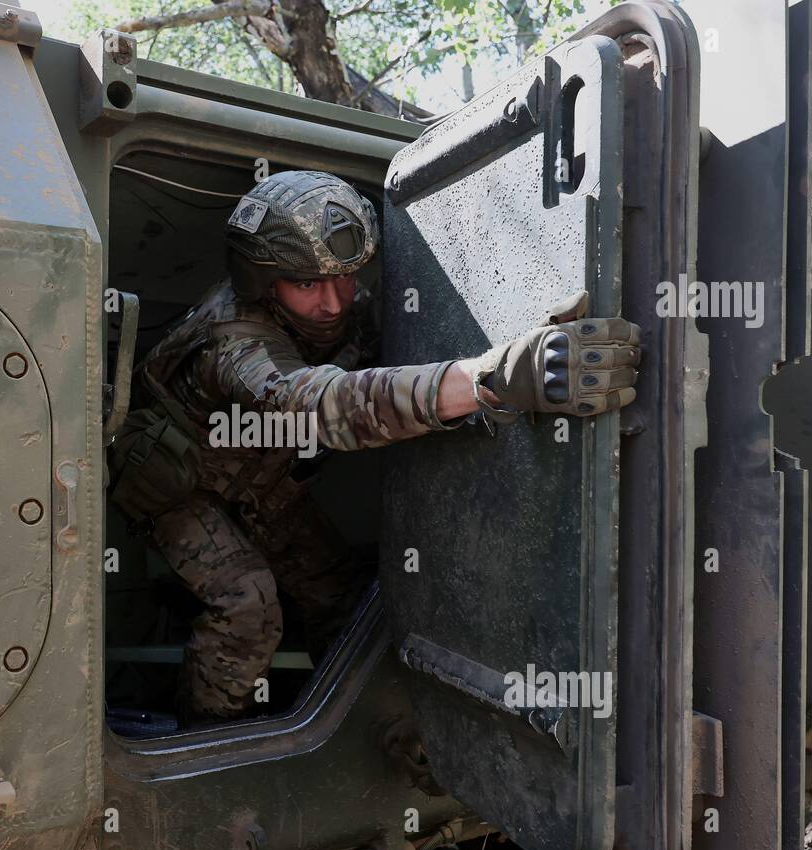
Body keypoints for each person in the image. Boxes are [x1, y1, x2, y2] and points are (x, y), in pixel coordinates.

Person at [124, 170, 642, 727]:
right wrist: (489, 380)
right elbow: (324, 405)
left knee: (344, 600)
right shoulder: (234, 342)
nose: (333, 301)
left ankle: (339, 726)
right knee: (248, 609)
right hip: (179, 484)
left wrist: (522, 339)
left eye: (345, 277)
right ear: (262, 282)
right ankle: (207, 746)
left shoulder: (342, 302)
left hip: (259, 477)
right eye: (307, 284)